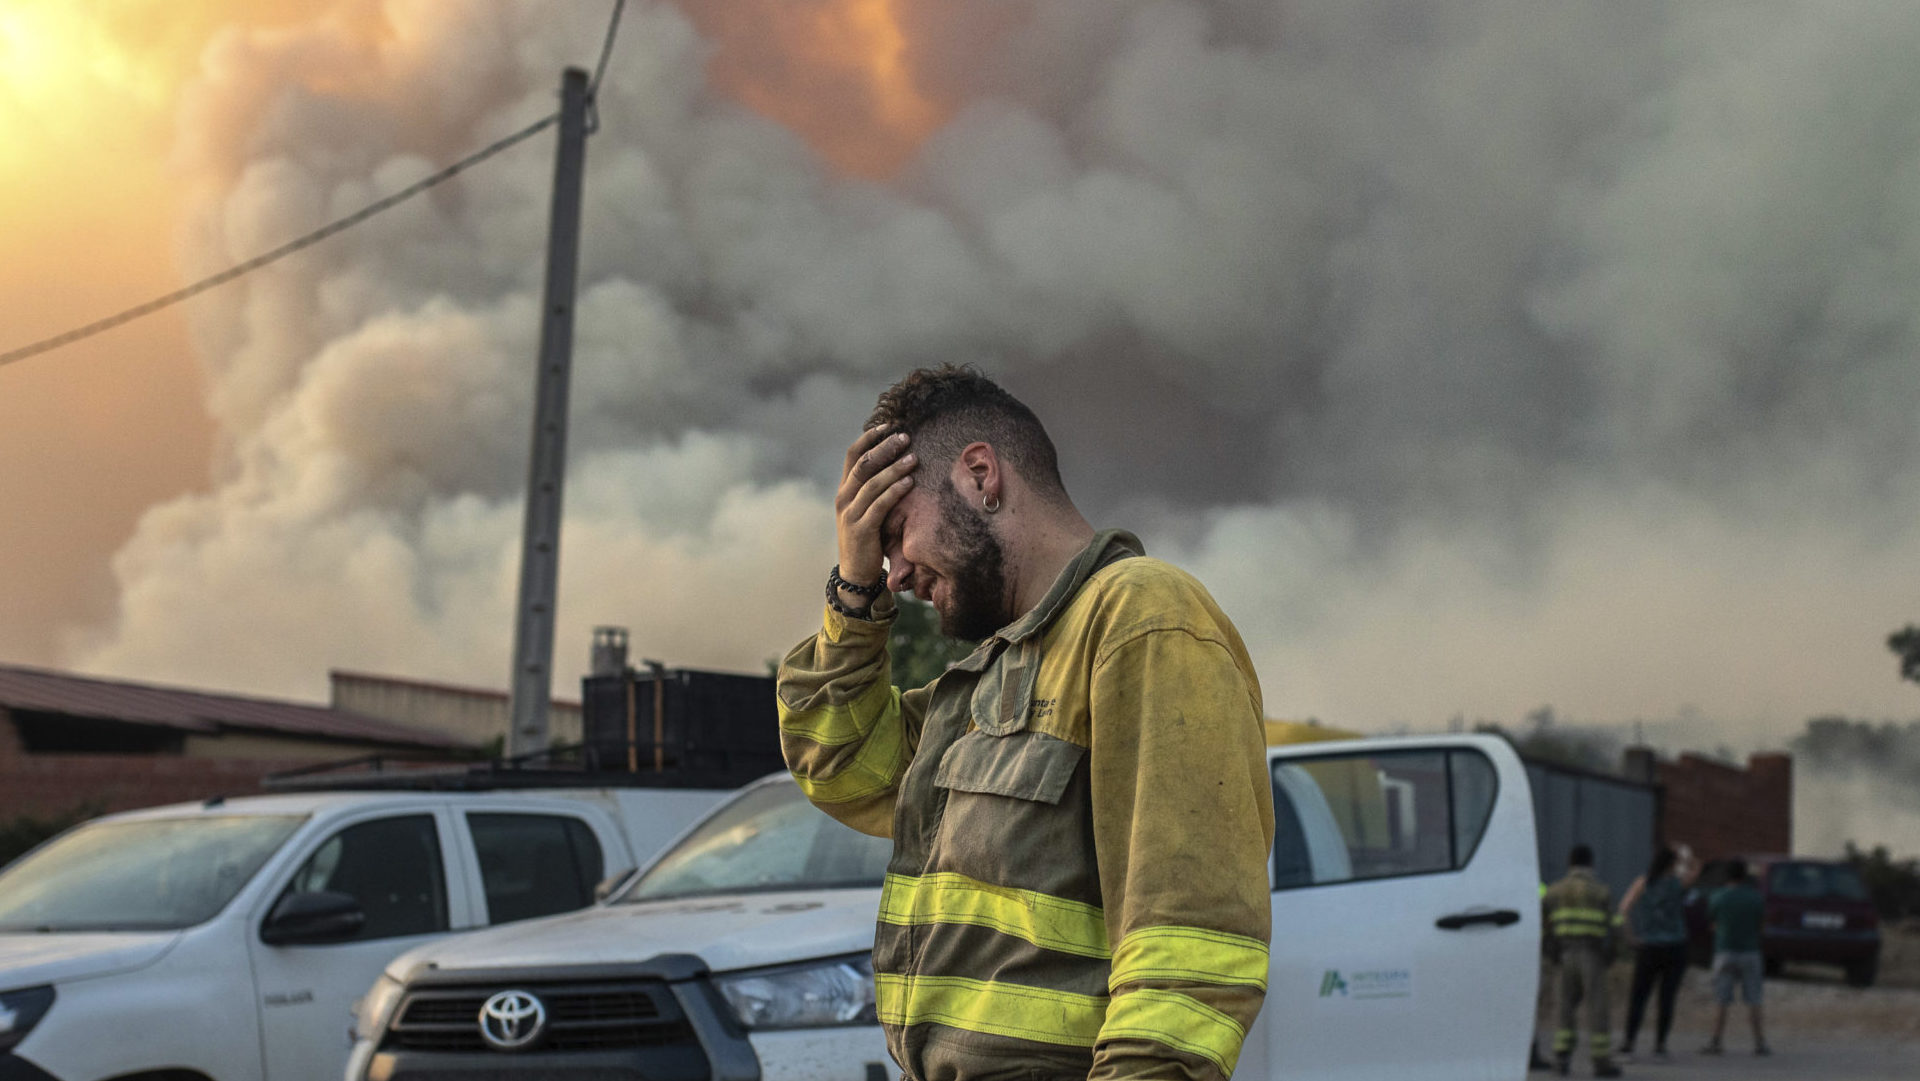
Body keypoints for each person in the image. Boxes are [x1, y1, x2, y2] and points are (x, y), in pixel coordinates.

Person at [778, 365, 1275, 1081]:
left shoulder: (1143, 617)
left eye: (894, 531)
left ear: (981, 475)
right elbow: (842, 764)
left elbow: (1187, 951)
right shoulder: (989, 676)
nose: (894, 574)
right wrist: (852, 595)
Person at [1542, 843, 1621, 1077]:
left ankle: (1561, 1058)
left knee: (1564, 1006)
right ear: (1591, 863)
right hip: (1592, 954)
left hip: (1564, 955)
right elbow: (1615, 926)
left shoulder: (1554, 891)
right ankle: (1601, 1062)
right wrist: (1613, 953)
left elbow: (1544, 926)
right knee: (1597, 1008)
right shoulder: (1601, 891)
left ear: (1569, 864)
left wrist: (1551, 951)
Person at [1616, 847, 1689, 1060]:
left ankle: (1629, 1042)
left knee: (1639, 996)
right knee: (1667, 998)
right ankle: (1660, 1044)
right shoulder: (1678, 883)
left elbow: (1623, 908)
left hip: (1648, 946)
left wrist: (1630, 937)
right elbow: (1697, 868)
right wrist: (1685, 854)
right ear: (1672, 863)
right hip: (1675, 947)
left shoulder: (1644, 882)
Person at [1701, 861, 1770, 1056]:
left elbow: (1712, 923)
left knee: (1721, 999)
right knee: (1754, 999)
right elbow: (1762, 926)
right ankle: (1759, 1042)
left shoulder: (1718, 897)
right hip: (1750, 951)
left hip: (1725, 951)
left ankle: (1716, 1040)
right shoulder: (1756, 898)